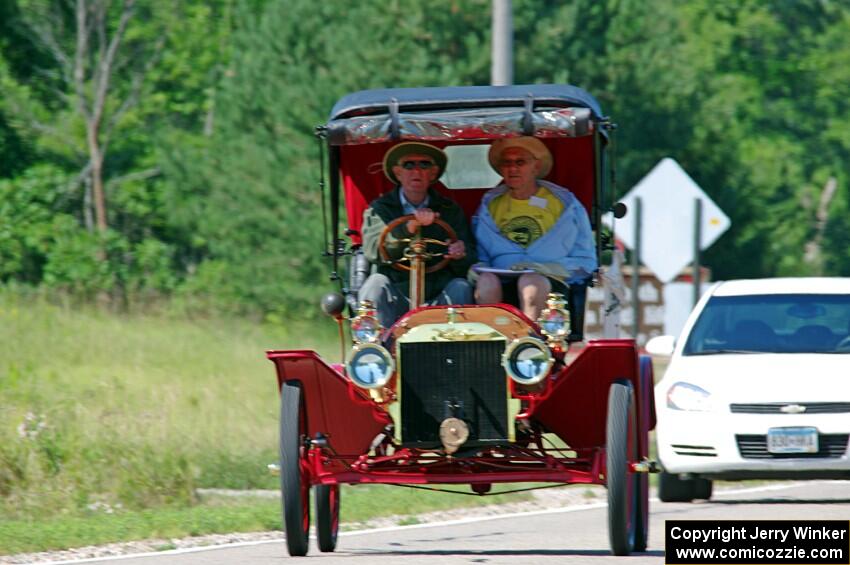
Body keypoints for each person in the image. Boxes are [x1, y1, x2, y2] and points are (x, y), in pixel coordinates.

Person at [473, 136, 596, 320]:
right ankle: (492, 343)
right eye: (507, 163)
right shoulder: (489, 204)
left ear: (536, 167)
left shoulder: (565, 203)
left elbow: (585, 259)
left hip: (550, 280)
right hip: (501, 274)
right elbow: (480, 256)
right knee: (485, 282)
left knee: (531, 282)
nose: (512, 168)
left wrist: (546, 268)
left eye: (520, 162)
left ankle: (529, 343)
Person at [359, 142, 476, 327]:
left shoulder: (449, 210)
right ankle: (375, 349)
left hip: (439, 296)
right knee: (375, 283)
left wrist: (459, 253)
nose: (416, 171)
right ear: (398, 173)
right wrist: (409, 227)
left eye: (424, 165)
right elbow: (373, 250)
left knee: (461, 286)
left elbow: (470, 255)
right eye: (408, 165)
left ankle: (457, 349)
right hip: (396, 294)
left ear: (433, 173)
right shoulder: (380, 208)